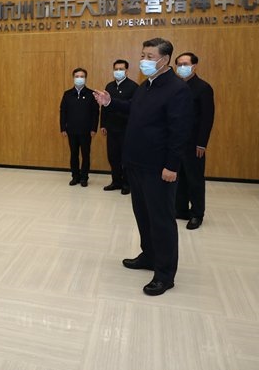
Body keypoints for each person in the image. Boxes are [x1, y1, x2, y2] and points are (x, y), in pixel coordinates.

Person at [93, 37, 192, 296]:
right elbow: (133, 109)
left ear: (165, 60)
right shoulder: (146, 85)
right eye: (143, 55)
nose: (144, 61)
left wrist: (171, 166)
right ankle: (149, 256)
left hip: (158, 168)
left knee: (161, 220)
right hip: (136, 164)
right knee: (143, 214)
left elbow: (179, 132)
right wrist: (110, 102)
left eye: (150, 57)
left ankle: (165, 274)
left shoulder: (177, 89)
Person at [173, 52, 215, 230]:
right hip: (176, 142)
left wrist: (202, 143)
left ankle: (197, 213)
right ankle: (181, 210)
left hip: (194, 143)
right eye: (179, 64)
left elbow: (207, 118)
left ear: (194, 66)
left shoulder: (203, 87)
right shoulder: (175, 86)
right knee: (179, 178)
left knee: (194, 179)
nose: (181, 67)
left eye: (185, 64)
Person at [101, 60, 138, 195]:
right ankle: (116, 181)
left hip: (126, 129)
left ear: (126, 71)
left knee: (125, 158)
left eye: (121, 69)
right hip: (111, 128)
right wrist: (103, 124)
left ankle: (126, 184)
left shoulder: (133, 87)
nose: (118, 71)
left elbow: (134, 108)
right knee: (113, 156)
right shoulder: (109, 86)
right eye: (116, 69)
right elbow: (104, 106)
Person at [60, 67, 98, 187]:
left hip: (86, 131)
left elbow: (95, 113)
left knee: (85, 155)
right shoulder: (67, 94)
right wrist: (63, 128)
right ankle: (75, 177)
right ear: (73, 78)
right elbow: (63, 112)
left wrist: (94, 128)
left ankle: (84, 178)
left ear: (85, 78)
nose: (79, 78)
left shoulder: (91, 94)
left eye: (82, 76)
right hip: (71, 130)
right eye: (77, 76)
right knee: (74, 154)